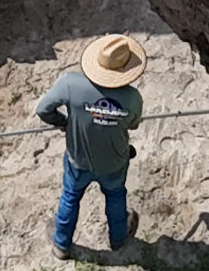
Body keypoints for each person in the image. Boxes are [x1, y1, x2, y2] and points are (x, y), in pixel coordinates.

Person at [35, 33, 147, 259]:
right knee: (116, 196)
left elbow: (43, 110)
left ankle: (61, 244)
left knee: (70, 196)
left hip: (78, 160)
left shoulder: (69, 84)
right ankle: (118, 239)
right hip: (115, 161)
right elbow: (133, 125)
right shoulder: (132, 97)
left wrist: (64, 123)